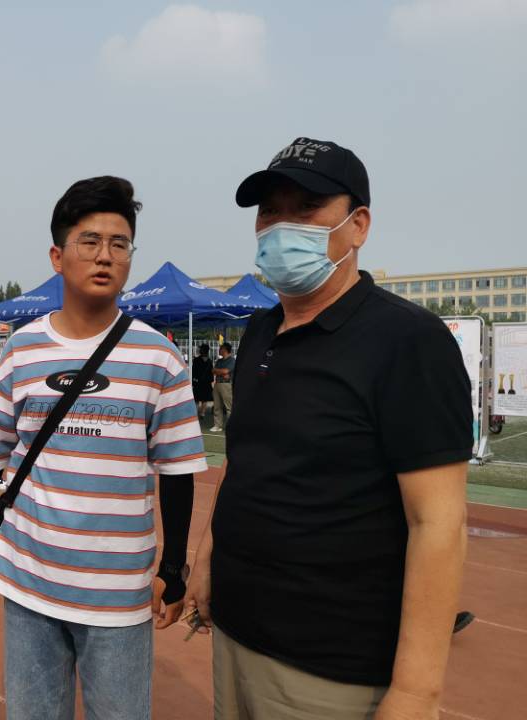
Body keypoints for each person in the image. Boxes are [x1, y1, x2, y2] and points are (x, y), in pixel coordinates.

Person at [186, 137, 472, 719]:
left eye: (307, 208)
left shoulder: (408, 341)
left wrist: (416, 692)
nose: (281, 226)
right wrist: (206, 558)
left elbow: (438, 521)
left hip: (329, 670)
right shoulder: (260, 332)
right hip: (235, 635)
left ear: (358, 224)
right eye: (270, 211)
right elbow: (245, 462)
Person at [0, 176, 207, 720]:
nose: (105, 256)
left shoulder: (159, 358)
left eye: (120, 244)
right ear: (57, 256)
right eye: (89, 241)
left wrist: (173, 568)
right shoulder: (22, 349)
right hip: (29, 580)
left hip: (119, 592)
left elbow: (178, 472)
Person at [209, 342, 234, 432]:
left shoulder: (232, 360)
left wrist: (219, 371)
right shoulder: (219, 361)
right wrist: (222, 372)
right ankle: (217, 425)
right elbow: (213, 370)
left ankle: (231, 426)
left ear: (225, 350)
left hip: (226, 384)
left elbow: (226, 371)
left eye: (221, 348)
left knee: (229, 407)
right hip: (217, 383)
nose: (219, 350)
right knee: (217, 406)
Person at [191, 343, 213, 419]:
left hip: (198, 382)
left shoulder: (196, 360)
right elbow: (211, 373)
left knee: (196, 399)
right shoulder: (209, 361)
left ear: (202, 350)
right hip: (207, 383)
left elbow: (193, 372)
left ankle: (195, 414)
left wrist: (194, 381)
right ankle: (202, 413)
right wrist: (210, 381)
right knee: (205, 399)